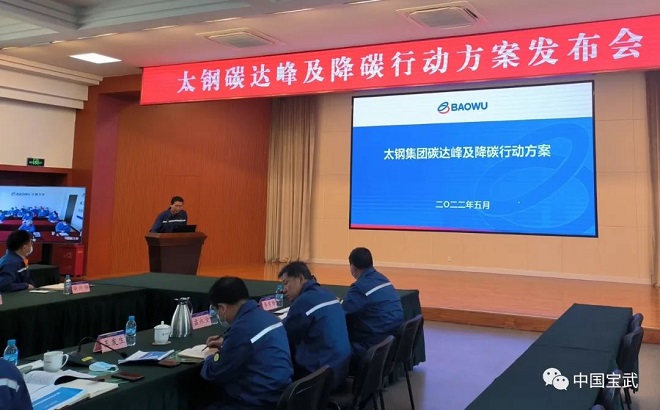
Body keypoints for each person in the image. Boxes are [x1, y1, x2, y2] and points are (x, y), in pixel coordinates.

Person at [201, 277, 292, 410]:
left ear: (222, 308)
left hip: (259, 402)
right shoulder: (270, 317)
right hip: (280, 393)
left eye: (216, 310)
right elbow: (251, 344)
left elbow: (214, 373)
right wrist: (227, 343)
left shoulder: (241, 330)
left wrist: (210, 356)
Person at [278, 261, 351, 391]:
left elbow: (283, 333)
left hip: (320, 377)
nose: (284, 290)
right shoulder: (329, 294)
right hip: (340, 369)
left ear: (300, 279)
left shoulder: (304, 302)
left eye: (286, 283)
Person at [343, 247, 404, 364]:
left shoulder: (359, 288)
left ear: (353, 267)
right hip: (391, 341)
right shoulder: (383, 279)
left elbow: (343, 313)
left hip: (374, 346)